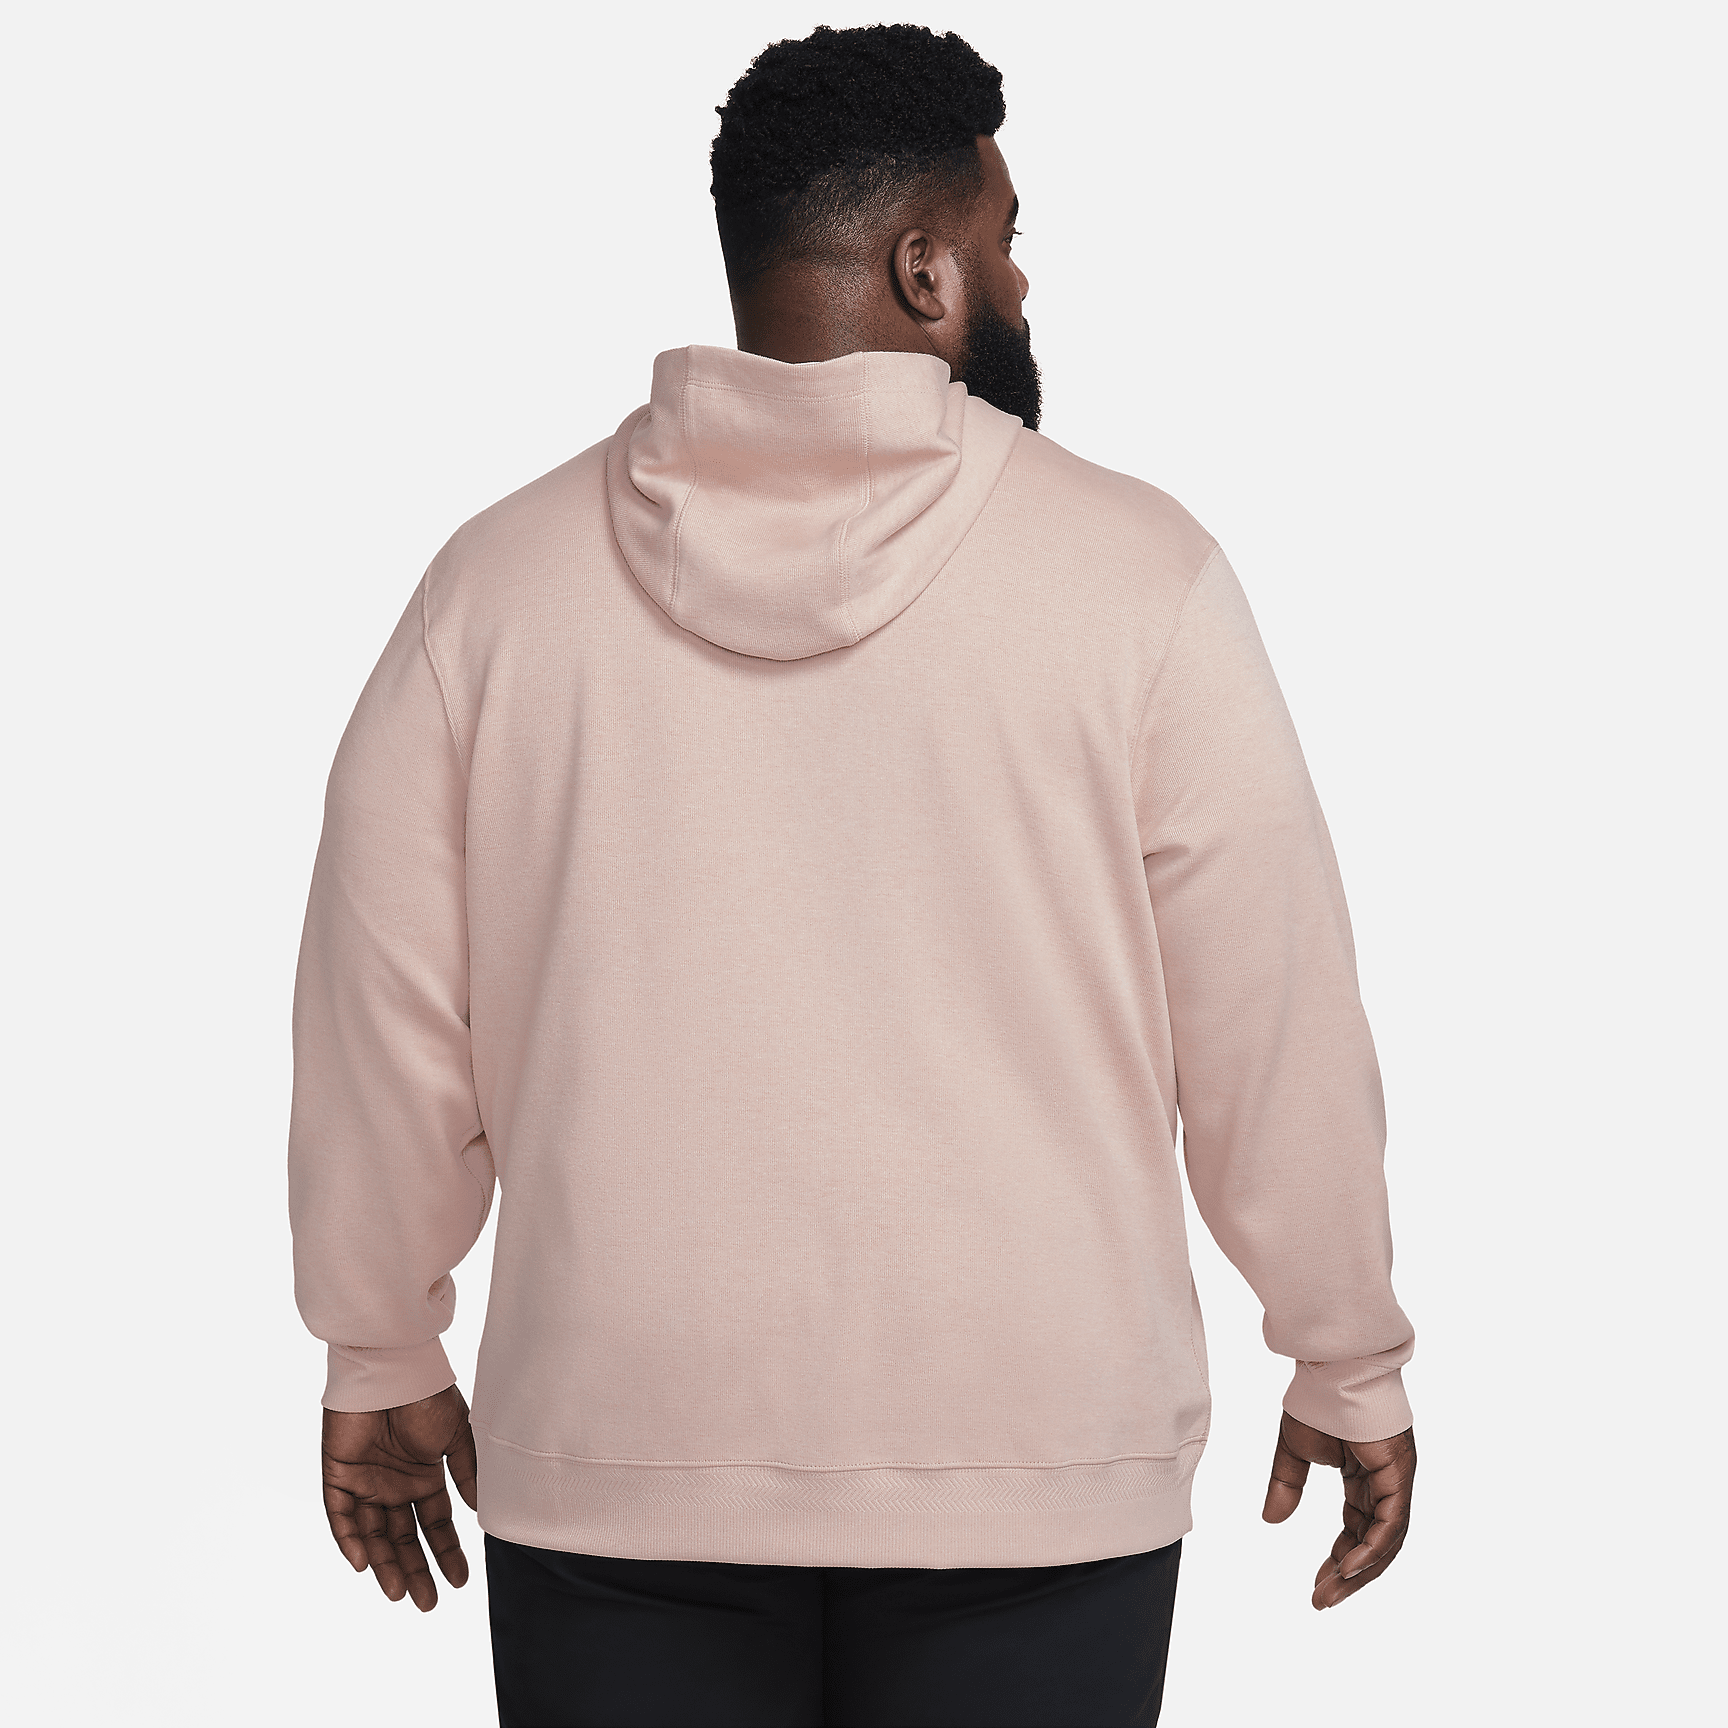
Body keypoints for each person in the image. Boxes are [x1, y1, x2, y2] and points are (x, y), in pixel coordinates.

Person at [289, 22, 1417, 1727]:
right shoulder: (1142, 579)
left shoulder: (496, 590)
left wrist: (380, 1342)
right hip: (1036, 1466)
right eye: (1006, 238)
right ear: (922, 268)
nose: (1021, 281)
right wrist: (1344, 1349)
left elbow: (381, 1010)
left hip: (619, 1453)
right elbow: (1272, 1010)